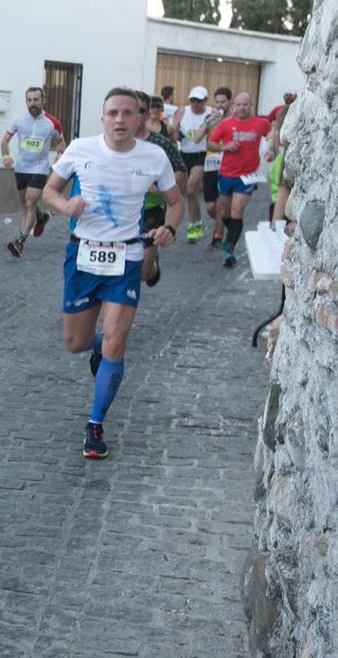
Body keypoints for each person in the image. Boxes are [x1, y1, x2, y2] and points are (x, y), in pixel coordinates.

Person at [42, 88, 183, 459]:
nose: (119, 119)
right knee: (76, 343)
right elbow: (49, 192)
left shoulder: (153, 156)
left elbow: (176, 202)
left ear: (140, 119)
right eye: (112, 113)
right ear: (102, 118)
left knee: (116, 344)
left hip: (127, 256)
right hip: (83, 254)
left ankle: (95, 425)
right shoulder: (80, 149)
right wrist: (65, 204)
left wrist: (169, 229)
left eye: (127, 113)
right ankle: (100, 343)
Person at [0, 86, 65, 258]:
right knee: (28, 205)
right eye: (29, 100)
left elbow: (60, 143)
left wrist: (59, 156)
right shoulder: (18, 120)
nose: (32, 103)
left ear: (43, 101)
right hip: (21, 168)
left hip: (40, 168)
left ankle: (19, 241)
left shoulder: (52, 122)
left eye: (36, 100)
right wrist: (6, 156)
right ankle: (41, 217)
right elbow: (5, 141)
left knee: (29, 204)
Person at [210, 92, 271, 267]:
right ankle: (232, 234)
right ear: (233, 106)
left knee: (237, 211)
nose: (242, 108)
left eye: (245, 104)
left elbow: (273, 137)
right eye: (238, 105)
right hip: (226, 173)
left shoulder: (261, 123)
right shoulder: (226, 124)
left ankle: (228, 249)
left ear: (251, 105)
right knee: (225, 213)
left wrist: (271, 150)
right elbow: (211, 143)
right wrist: (224, 147)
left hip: (247, 175)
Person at [136, 91, 179, 287]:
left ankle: (152, 263)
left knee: (145, 274)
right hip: (120, 214)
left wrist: (160, 186)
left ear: (147, 115)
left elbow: (180, 172)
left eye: (139, 111)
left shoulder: (160, 144)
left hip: (151, 210)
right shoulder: (110, 143)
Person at [173, 86, 212, 242]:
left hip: (202, 154)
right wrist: (177, 133)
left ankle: (195, 223)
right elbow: (173, 132)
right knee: (181, 191)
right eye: (192, 100)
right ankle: (196, 222)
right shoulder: (182, 112)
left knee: (190, 189)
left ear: (205, 101)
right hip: (184, 153)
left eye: (199, 100)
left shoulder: (211, 113)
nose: (195, 103)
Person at [202, 86, 233, 247]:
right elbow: (198, 139)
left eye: (223, 102)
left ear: (229, 102)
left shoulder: (234, 119)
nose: (220, 105)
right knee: (210, 207)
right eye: (218, 102)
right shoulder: (210, 117)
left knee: (221, 202)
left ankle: (218, 235)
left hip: (227, 165)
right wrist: (208, 122)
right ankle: (224, 220)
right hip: (210, 164)